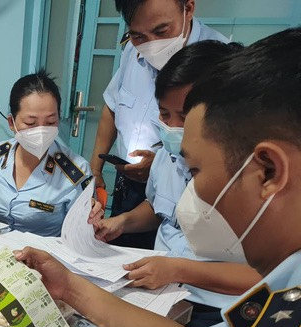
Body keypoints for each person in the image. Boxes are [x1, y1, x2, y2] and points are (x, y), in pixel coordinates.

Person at [18, 27, 301, 327]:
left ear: (268, 169)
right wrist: (70, 286)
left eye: (197, 170)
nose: (192, 196)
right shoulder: (288, 290)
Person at [93, 40, 261, 327]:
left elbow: (265, 276)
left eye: (183, 117)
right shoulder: (171, 154)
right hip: (166, 292)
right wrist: (122, 223)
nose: (171, 127)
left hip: (212, 305)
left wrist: (181, 268)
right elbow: (161, 208)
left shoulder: (248, 179)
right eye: (163, 115)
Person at [89, 0, 226, 249]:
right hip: (143, 188)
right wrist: (96, 171)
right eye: (138, 35)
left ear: (189, 7)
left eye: (161, 31)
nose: (151, 44)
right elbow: (113, 104)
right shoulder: (133, 50)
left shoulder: (220, 64)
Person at [0, 70, 101, 237]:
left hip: (45, 256)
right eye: (31, 123)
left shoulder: (75, 171)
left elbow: (79, 234)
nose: (41, 131)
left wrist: (91, 222)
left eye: (50, 122)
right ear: (11, 122)